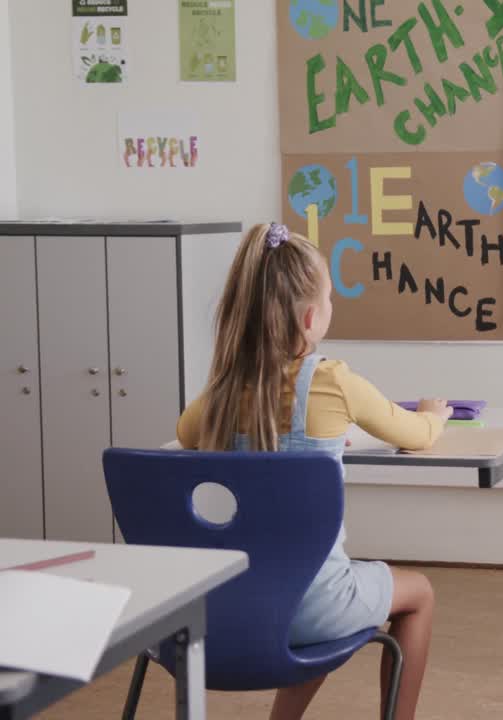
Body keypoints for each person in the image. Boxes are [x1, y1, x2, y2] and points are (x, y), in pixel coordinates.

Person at [177, 222, 450, 720]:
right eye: (329, 299)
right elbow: (417, 436)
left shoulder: (221, 390)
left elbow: (186, 433)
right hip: (308, 606)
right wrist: (435, 413)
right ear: (310, 317)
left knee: (308, 594)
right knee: (417, 594)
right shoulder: (333, 381)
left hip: (225, 606)